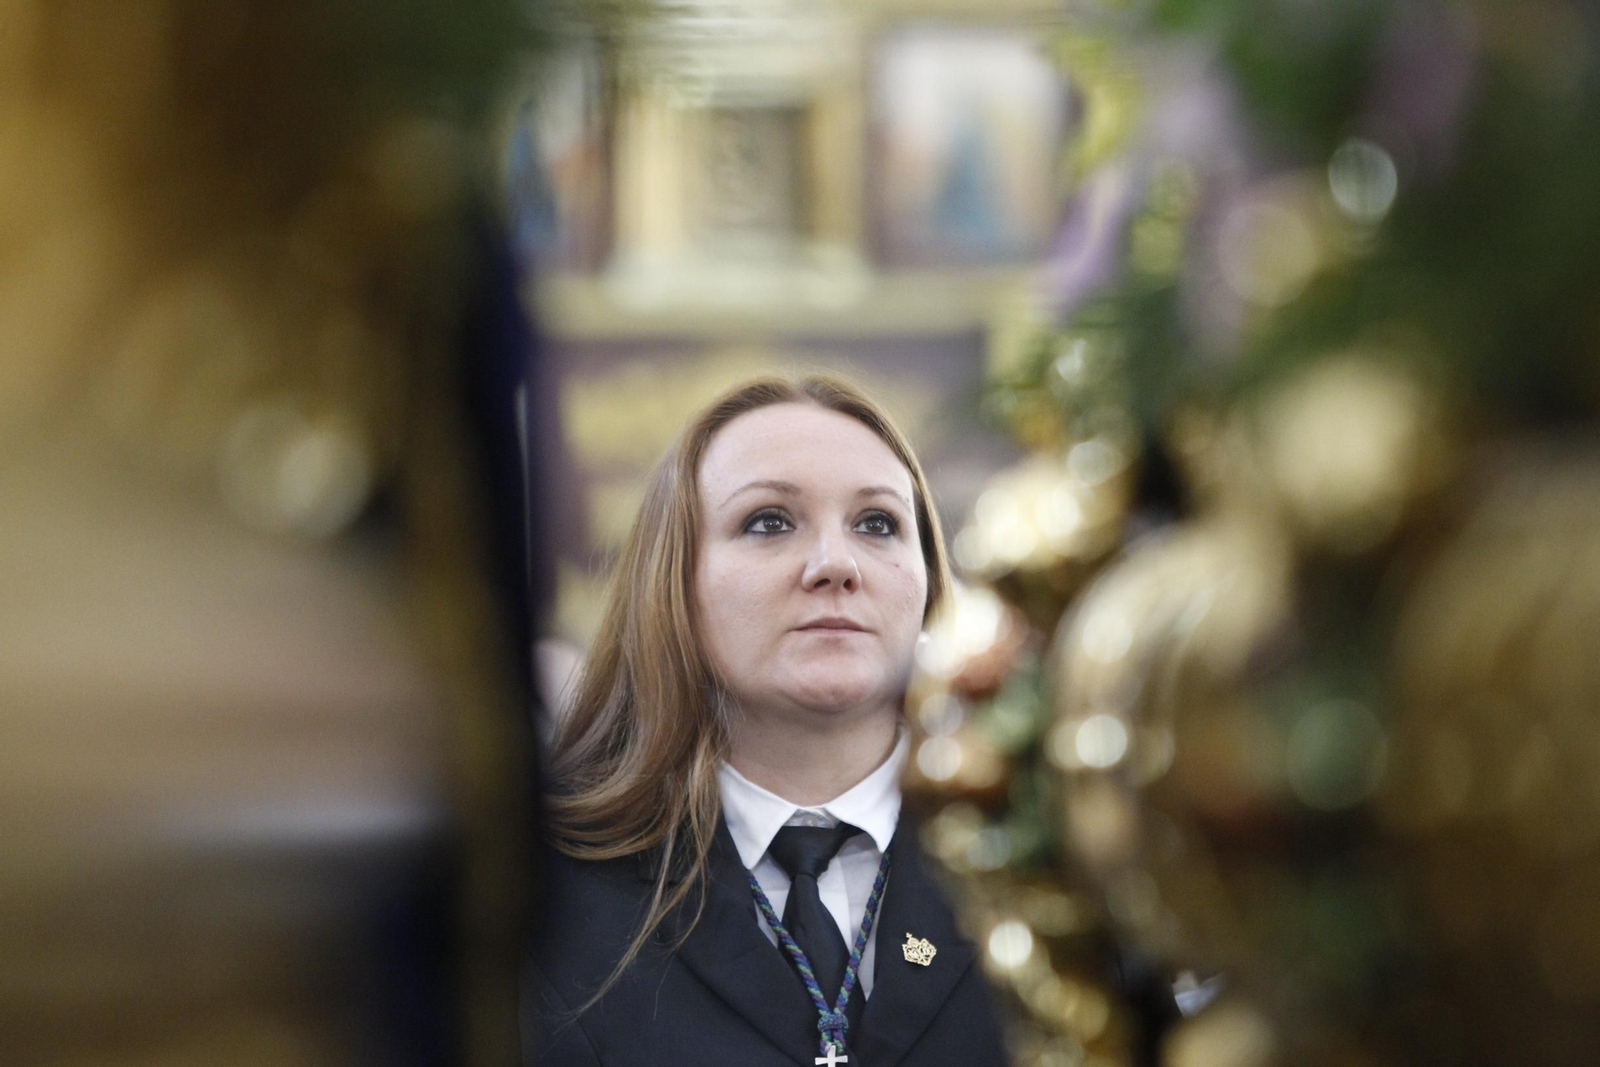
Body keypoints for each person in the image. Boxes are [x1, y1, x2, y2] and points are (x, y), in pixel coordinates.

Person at [524, 376, 1007, 1067]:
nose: (835, 564)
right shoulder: (544, 885)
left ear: (929, 581)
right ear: (675, 583)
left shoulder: (1043, 856)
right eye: (769, 521)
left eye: (877, 523)